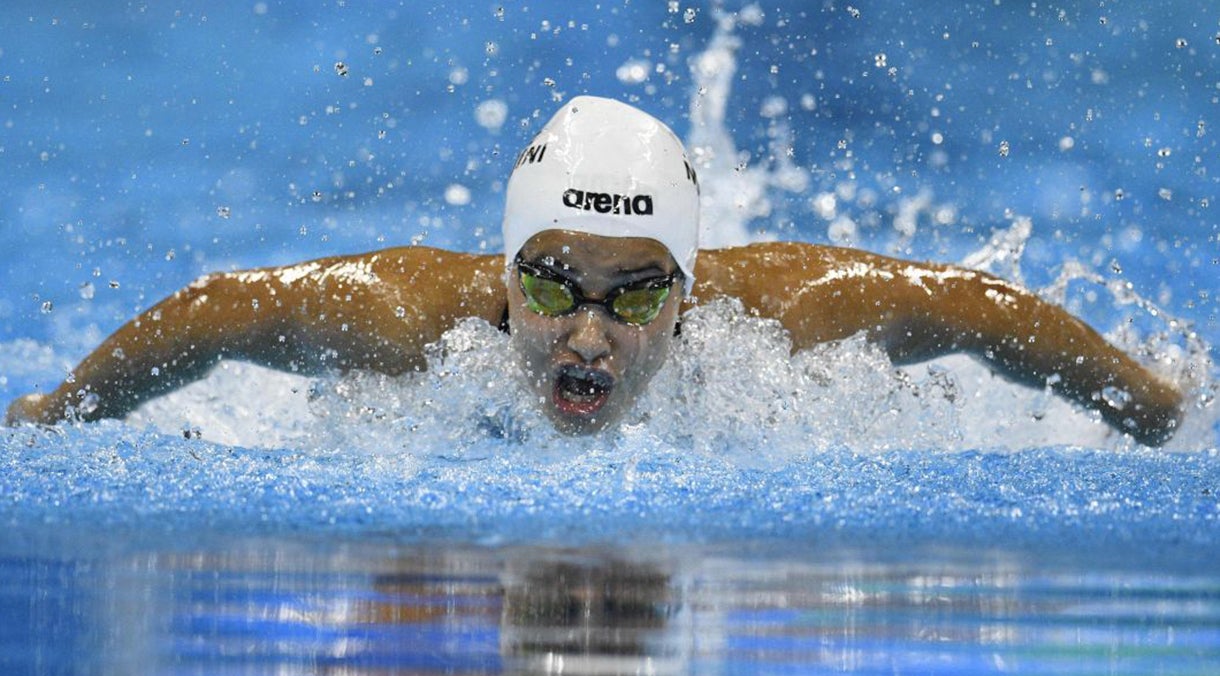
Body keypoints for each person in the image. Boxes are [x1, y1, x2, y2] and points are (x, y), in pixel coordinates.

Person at [4, 96, 1184, 445]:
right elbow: (217, 313)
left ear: (686, 291)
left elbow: (976, 314)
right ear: (507, 270)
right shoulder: (406, 321)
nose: (586, 337)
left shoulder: (786, 317)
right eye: (556, 285)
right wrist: (52, 414)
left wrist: (1161, 411)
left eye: (634, 296)